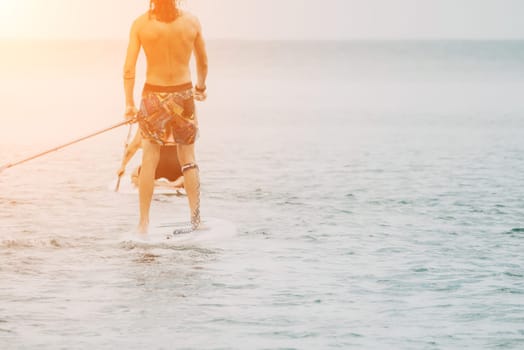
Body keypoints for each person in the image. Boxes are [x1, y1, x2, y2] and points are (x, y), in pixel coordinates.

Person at [123, 0, 208, 234]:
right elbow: (203, 61)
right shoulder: (191, 22)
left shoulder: (141, 24)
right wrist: (200, 88)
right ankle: (196, 220)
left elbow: (129, 68)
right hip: (183, 94)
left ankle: (143, 223)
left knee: (149, 159)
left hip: (153, 94)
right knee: (188, 158)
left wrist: (129, 103)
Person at [117, 131, 185, 190]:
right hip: (176, 166)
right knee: (184, 175)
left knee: (134, 175)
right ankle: (175, 184)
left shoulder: (146, 121)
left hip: (155, 166)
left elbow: (135, 145)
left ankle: (159, 184)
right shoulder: (178, 119)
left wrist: (123, 166)